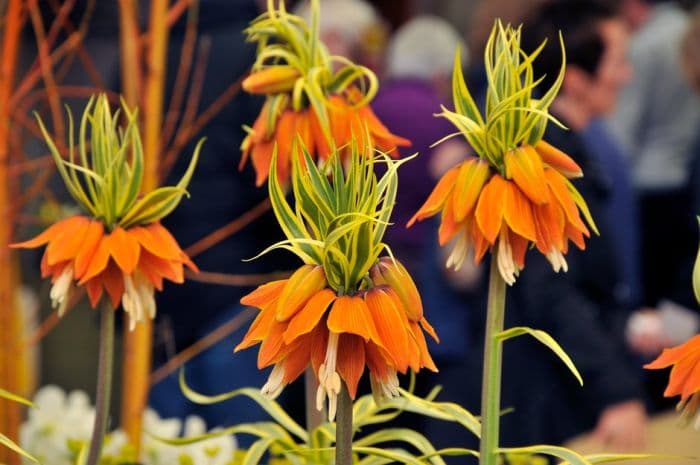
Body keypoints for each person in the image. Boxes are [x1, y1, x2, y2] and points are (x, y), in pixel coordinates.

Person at [427, 1, 648, 454]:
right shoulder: (543, 160)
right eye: (618, 63)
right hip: (529, 400)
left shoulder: (571, 149)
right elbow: (552, 287)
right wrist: (615, 390)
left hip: (531, 388)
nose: (626, 76)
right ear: (576, 79)